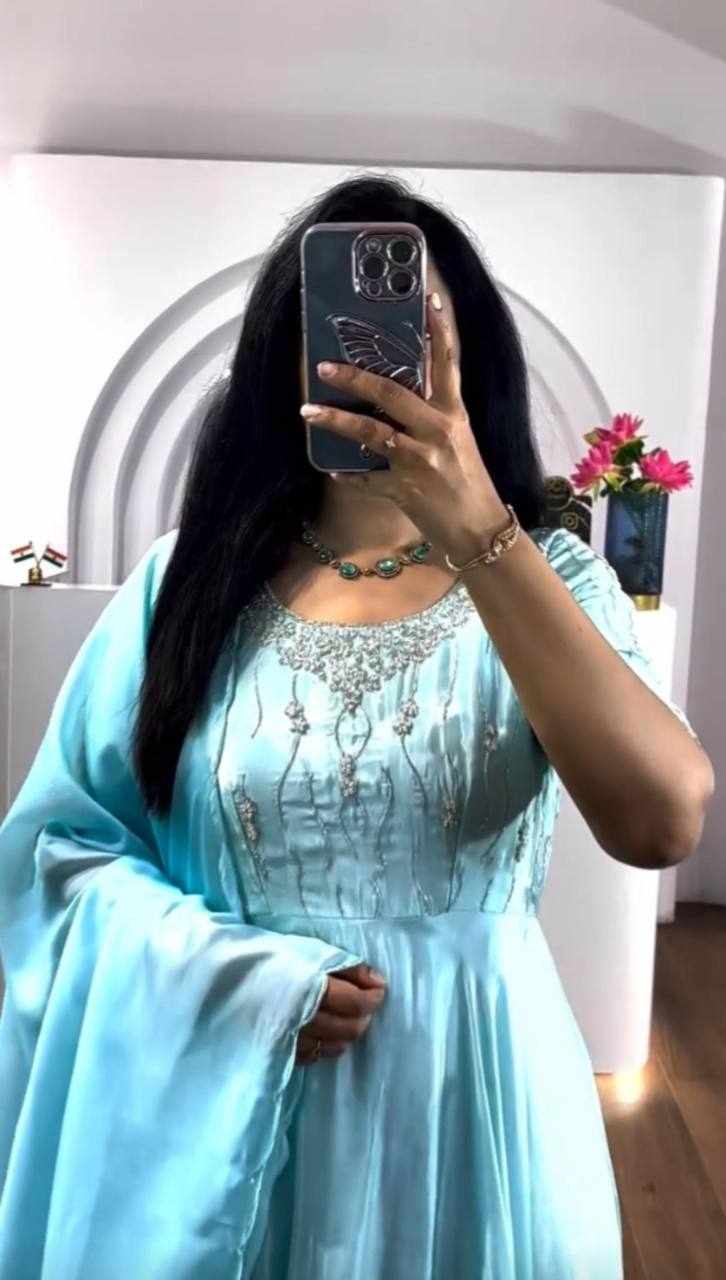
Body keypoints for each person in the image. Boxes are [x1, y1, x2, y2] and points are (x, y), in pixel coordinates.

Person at [0, 173, 713, 1280]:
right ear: (282, 360)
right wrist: (238, 982)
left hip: (476, 1120)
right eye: (341, 328)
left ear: (473, 358)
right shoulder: (184, 588)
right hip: (232, 1127)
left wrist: (477, 526)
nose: (379, 361)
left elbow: (661, 820)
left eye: (419, 332)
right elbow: (58, 852)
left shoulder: (557, 579)